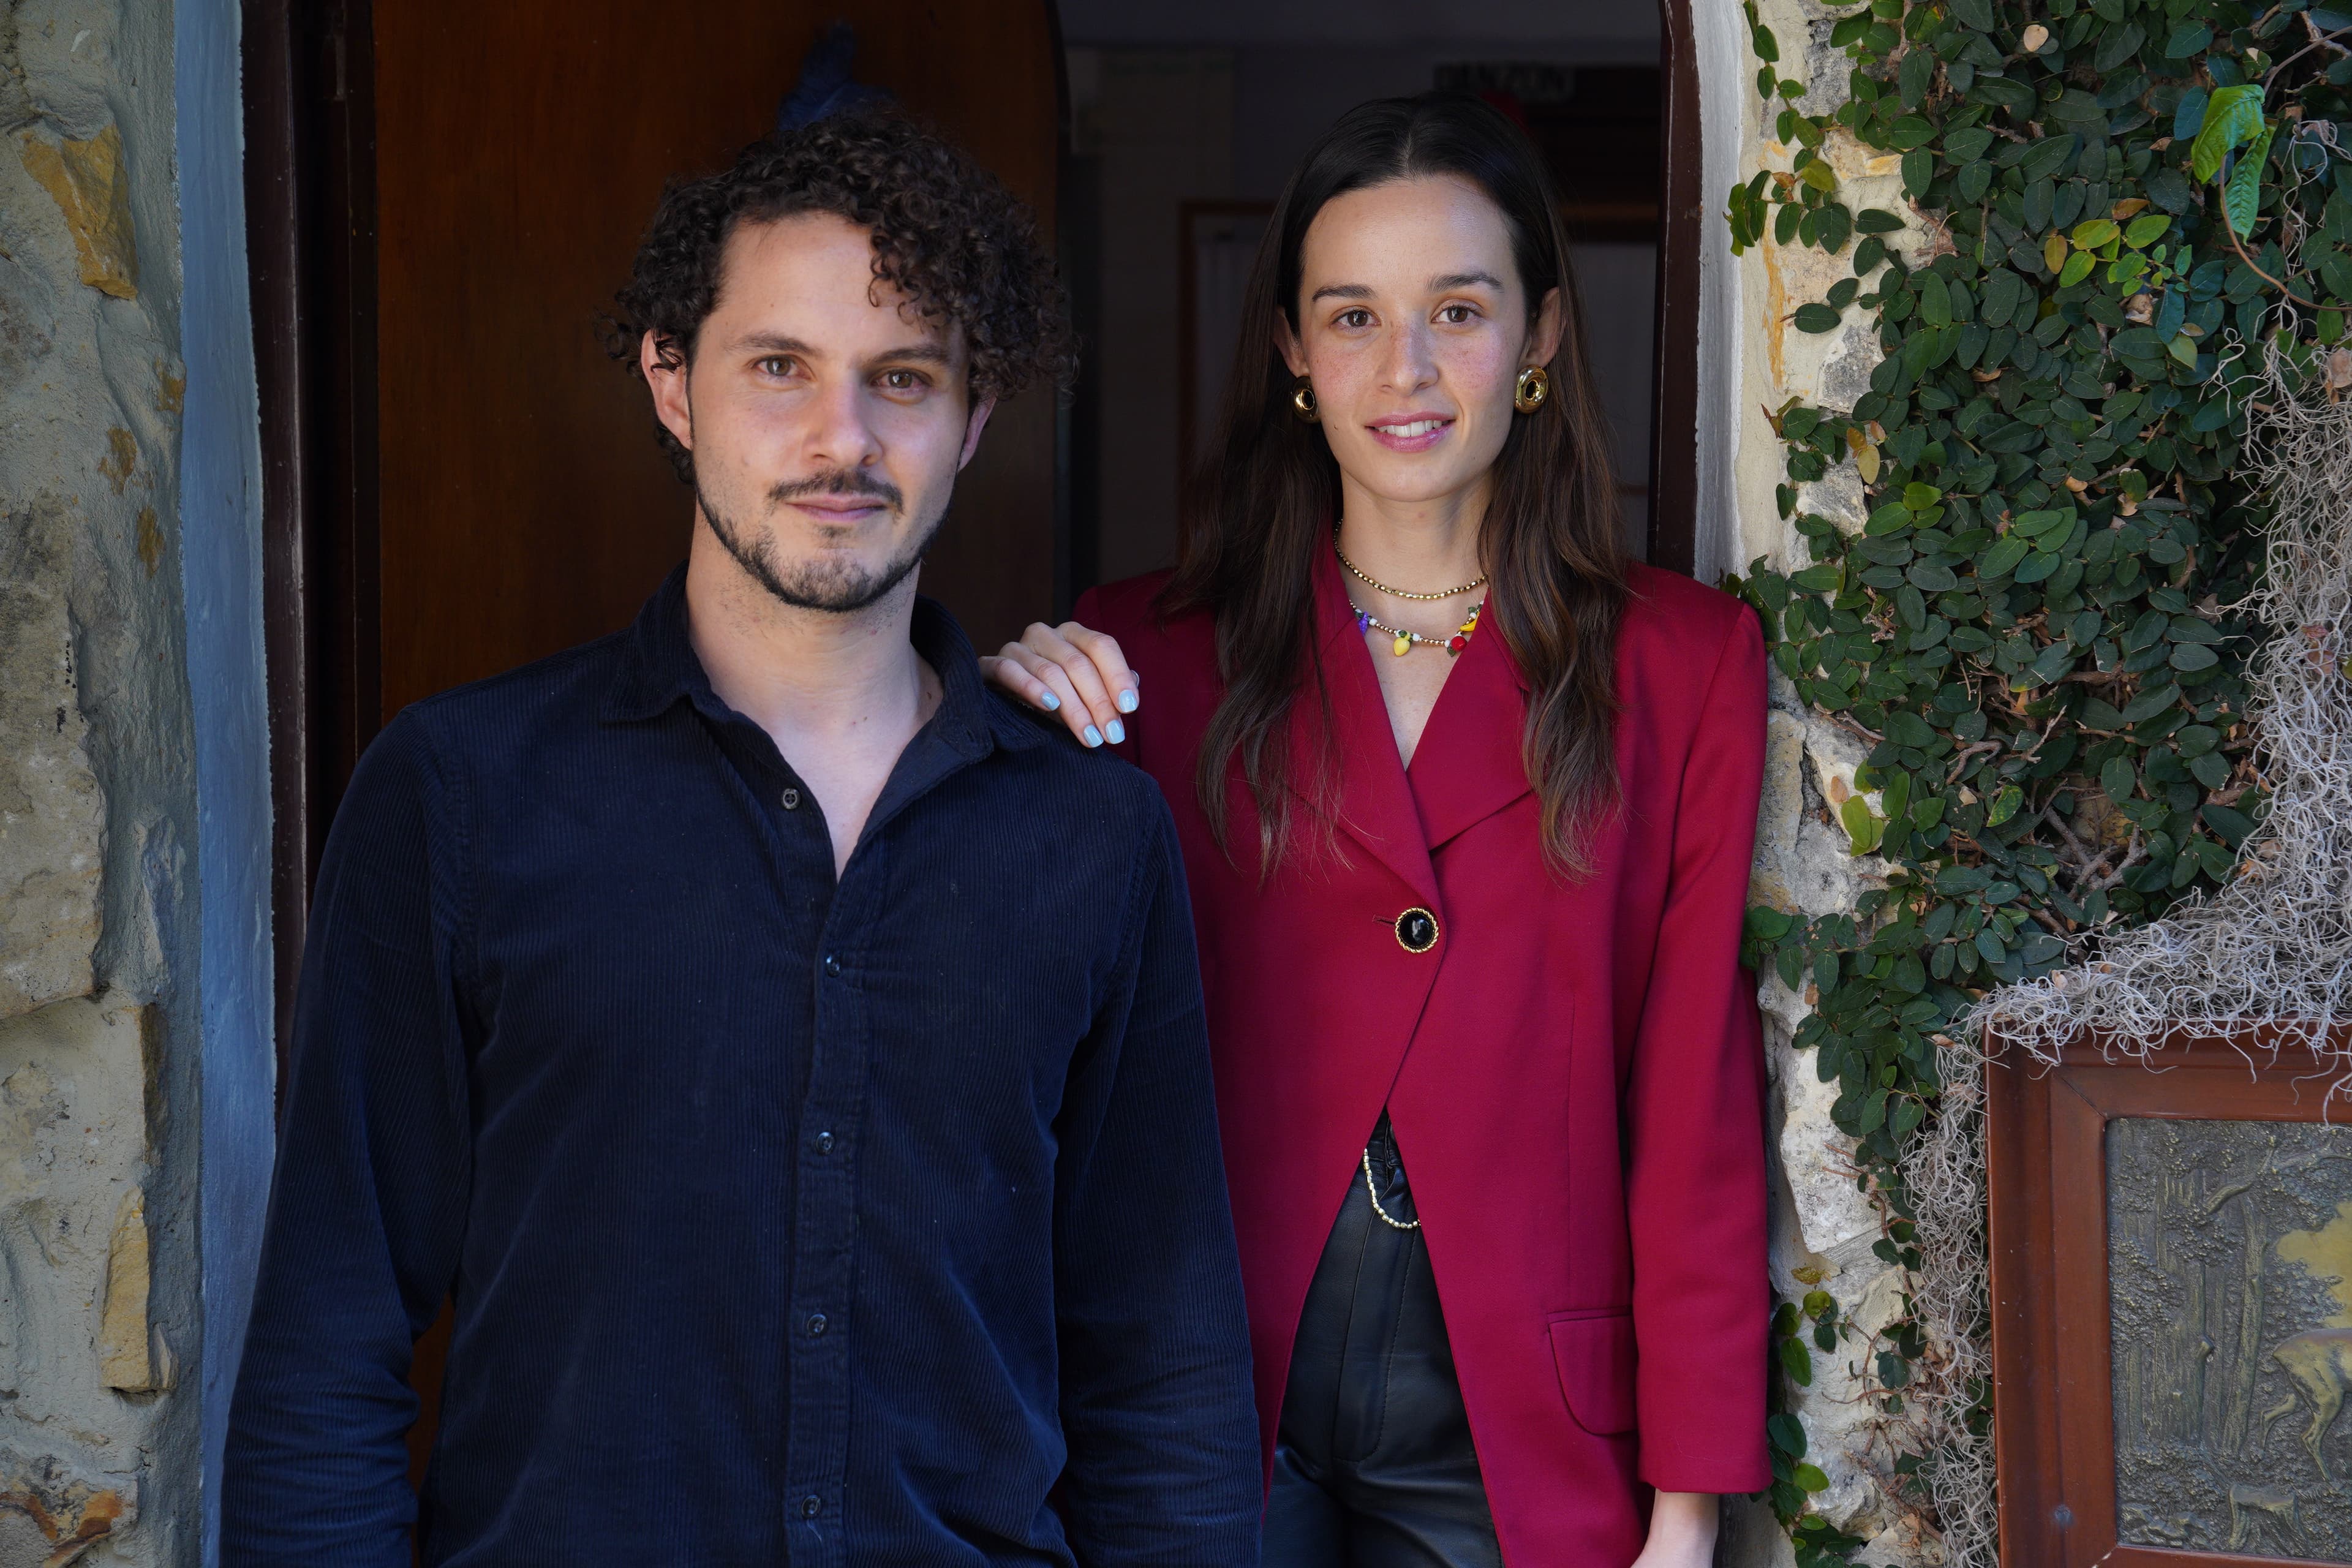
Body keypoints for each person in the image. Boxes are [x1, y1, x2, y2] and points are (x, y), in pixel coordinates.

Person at [224, 111, 1262, 1567]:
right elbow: (328, 1345)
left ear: (971, 422)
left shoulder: (1091, 833)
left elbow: (1163, 1368)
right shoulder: (460, 792)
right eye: (780, 366)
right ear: (671, 380)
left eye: (902, 379)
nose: (843, 437)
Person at [986, 94, 1769, 1567]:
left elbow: (1693, 1107)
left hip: (1525, 1425)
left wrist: (1689, 1507)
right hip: (1209, 1394)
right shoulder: (1140, 653)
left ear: (1539, 334)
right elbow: (1012, 1018)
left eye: (1456, 311)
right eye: (1351, 315)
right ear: (1290, 345)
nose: (1404, 369)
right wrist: (986, 725)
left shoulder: (1683, 664)